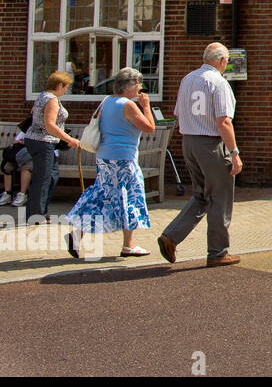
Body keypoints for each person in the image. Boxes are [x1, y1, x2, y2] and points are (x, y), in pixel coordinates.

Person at [158, 42, 243, 267]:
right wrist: (234, 152)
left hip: (189, 141)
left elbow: (178, 112)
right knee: (220, 197)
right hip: (211, 144)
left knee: (202, 195)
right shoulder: (219, 83)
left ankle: (171, 236)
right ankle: (218, 252)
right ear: (222, 61)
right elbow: (224, 121)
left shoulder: (188, 79)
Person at [65, 67, 156, 259]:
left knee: (102, 196)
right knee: (129, 197)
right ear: (129, 85)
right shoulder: (128, 105)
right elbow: (149, 128)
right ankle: (128, 245)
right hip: (124, 159)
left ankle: (76, 235)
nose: (140, 88)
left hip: (105, 157)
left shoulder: (107, 101)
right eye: (138, 84)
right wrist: (146, 107)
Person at [25, 70, 80, 221]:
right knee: (43, 178)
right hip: (43, 141)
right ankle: (35, 215)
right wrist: (69, 139)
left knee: (51, 176)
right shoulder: (51, 100)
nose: (66, 90)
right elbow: (50, 125)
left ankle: (40, 211)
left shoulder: (42, 96)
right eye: (66, 86)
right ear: (59, 85)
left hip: (38, 140)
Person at [0, 126, 33, 208]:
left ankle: (23, 194)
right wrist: (20, 142)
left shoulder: (45, 129)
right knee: (8, 166)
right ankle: (8, 193)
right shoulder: (28, 128)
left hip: (34, 156)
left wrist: (27, 143)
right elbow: (15, 142)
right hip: (21, 154)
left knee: (26, 167)